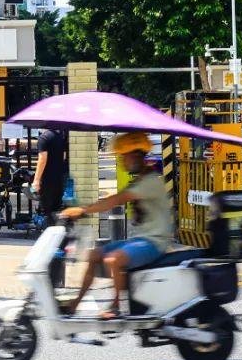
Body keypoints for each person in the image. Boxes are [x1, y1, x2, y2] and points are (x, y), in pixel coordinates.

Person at [58, 132, 173, 320]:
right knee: (94, 255)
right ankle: (75, 304)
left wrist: (83, 210)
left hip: (154, 242)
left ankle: (117, 306)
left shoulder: (150, 181)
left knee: (114, 259)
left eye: (123, 156)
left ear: (136, 155)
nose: (122, 161)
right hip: (140, 240)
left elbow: (116, 200)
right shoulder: (140, 180)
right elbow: (113, 199)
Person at [32, 128, 69, 224]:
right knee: (56, 209)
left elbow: (42, 159)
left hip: (47, 180)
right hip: (59, 178)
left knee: (47, 211)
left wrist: (36, 180)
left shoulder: (43, 138)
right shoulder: (61, 137)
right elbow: (64, 157)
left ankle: (50, 233)